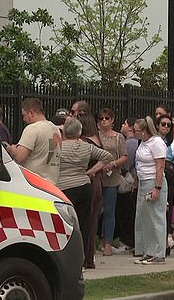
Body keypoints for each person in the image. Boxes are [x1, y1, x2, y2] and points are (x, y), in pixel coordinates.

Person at [58, 117, 113, 270]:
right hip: (84, 185)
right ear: (80, 132)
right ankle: (81, 260)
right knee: (83, 224)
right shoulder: (86, 147)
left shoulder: (59, 146)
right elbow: (107, 156)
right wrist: (91, 171)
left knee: (66, 224)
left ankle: (67, 259)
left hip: (65, 187)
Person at [133, 116, 167, 265]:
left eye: (137, 131)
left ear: (144, 131)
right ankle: (148, 250)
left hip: (153, 182)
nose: (134, 133)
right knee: (144, 218)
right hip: (143, 181)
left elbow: (160, 166)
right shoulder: (143, 143)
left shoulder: (157, 143)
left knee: (155, 217)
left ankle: (158, 253)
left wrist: (157, 188)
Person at [6, 98, 61, 184]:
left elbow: (20, 156)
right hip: (52, 185)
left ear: (31, 113)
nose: (23, 119)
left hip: (34, 183)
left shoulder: (33, 128)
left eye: (24, 115)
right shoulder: (55, 129)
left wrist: (11, 149)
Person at [96, 108, 127, 256]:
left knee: (109, 211)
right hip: (98, 176)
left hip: (112, 177)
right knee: (95, 211)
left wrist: (113, 164)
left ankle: (108, 242)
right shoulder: (96, 136)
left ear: (112, 120)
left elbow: (124, 157)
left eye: (107, 118)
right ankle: (95, 241)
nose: (104, 121)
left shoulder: (118, 137)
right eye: (101, 118)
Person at [78, 113, 104, 268]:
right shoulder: (97, 140)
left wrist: (88, 172)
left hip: (87, 183)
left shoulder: (84, 142)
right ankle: (90, 257)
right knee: (93, 221)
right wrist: (96, 170)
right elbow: (105, 158)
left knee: (84, 221)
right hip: (98, 183)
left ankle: (83, 257)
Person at [156, 114, 174, 255]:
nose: (165, 127)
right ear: (157, 125)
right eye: (163, 124)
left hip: (170, 184)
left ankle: (165, 242)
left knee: (166, 213)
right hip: (155, 180)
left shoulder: (173, 146)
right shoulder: (153, 142)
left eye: (168, 125)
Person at [115, 117, 139, 250]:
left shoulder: (130, 143)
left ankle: (129, 240)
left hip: (130, 182)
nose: (122, 125)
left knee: (127, 212)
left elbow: (126, 163)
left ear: (130, 127)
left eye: (124, 123)